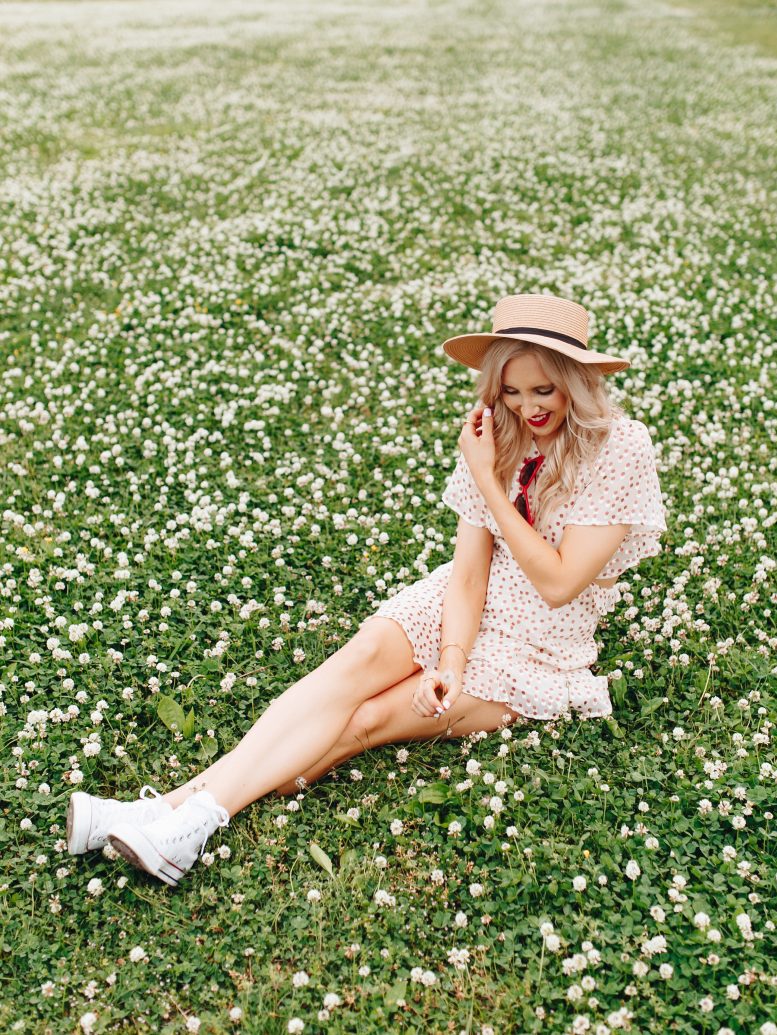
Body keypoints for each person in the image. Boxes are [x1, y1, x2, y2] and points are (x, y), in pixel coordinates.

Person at [66, 292, 667, 886]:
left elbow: (558, 581)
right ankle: (179, 820)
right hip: (464, 605)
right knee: (347, 669)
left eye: (544, 389)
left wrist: (487, 481)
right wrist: (451, 661)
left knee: (368, 719)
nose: (527, 406)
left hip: (540, 644)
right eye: (511, 390)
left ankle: (162, 818)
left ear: (576, 382)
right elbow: (467, 573)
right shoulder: (494, 435)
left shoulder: (620, 447)